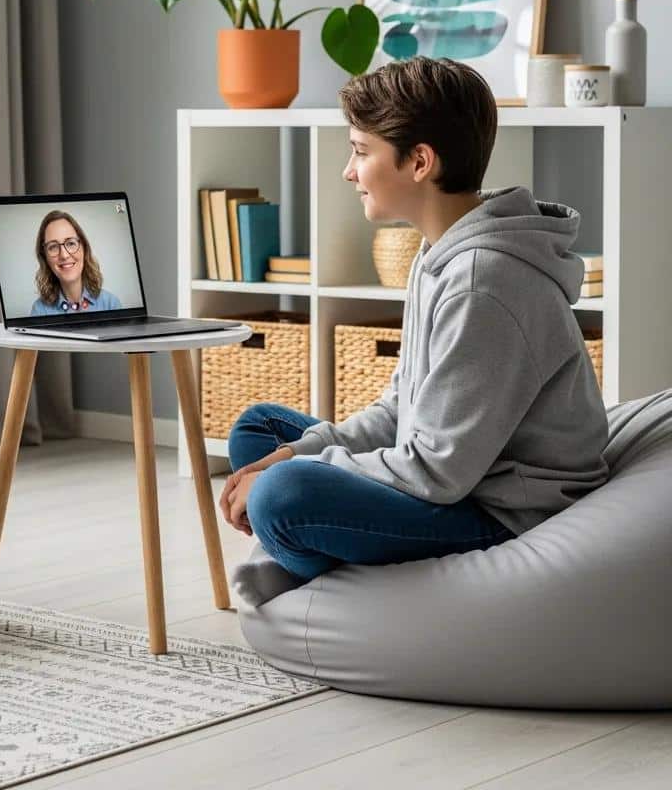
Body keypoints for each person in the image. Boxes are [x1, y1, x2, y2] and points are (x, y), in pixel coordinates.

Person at [222, 56, 610, 607]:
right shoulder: (440, 254)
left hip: (499, 511)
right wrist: (293, 453)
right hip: (456, 479)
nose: (348, 171)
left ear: (420, 162)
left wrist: (296, 471)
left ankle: (321, 575)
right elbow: (400, 409)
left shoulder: (485, 282)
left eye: (360, 151)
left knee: (282, 497)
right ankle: (315, 552)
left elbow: (436, 469)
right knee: (260, 432)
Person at [29, 210, 123, 315]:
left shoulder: (110, 304)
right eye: (53, 247)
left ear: (84, 248)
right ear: (45, 257)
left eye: (70, 243)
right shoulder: (40, 310)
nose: (64, 255)